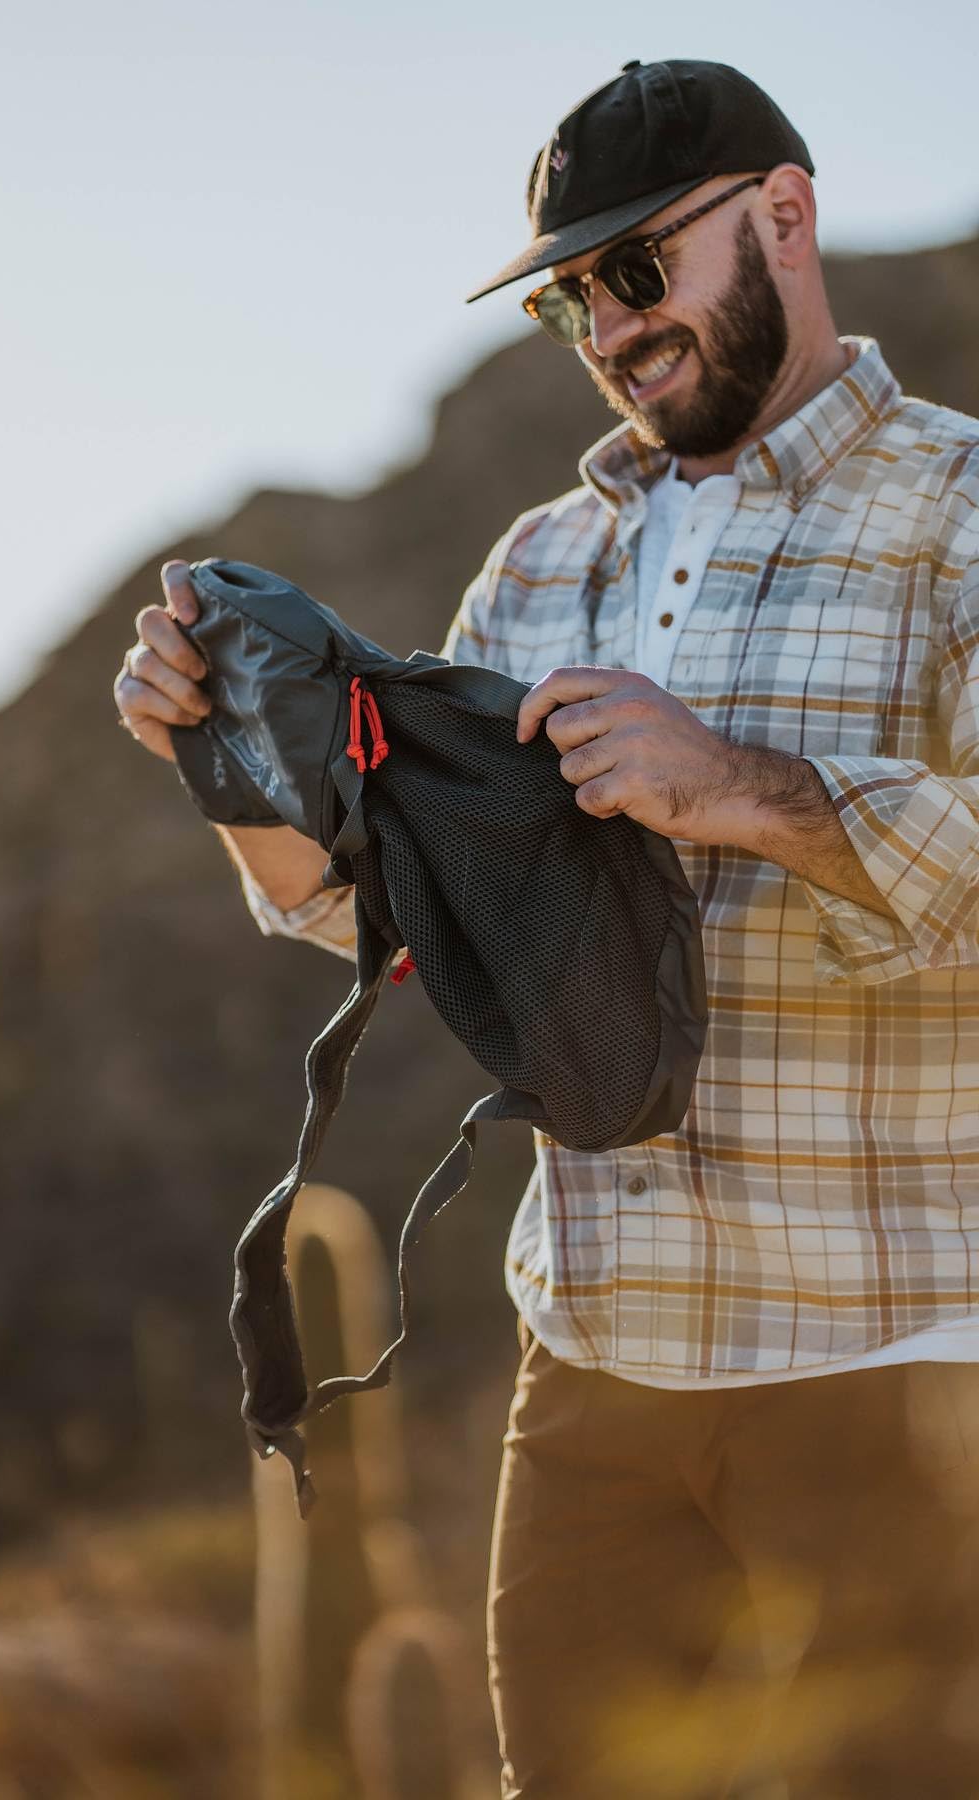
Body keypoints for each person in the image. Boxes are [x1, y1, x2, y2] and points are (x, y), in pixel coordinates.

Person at [113, 58, 979, 1800]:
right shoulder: (530, 569)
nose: (607, 322)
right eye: (571, 295)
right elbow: (383, 913)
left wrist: (735, 783)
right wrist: (233, 769)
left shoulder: (958, 513)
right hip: (588, 1392)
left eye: (638, 269)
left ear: (787, 222)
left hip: (889, 1380)